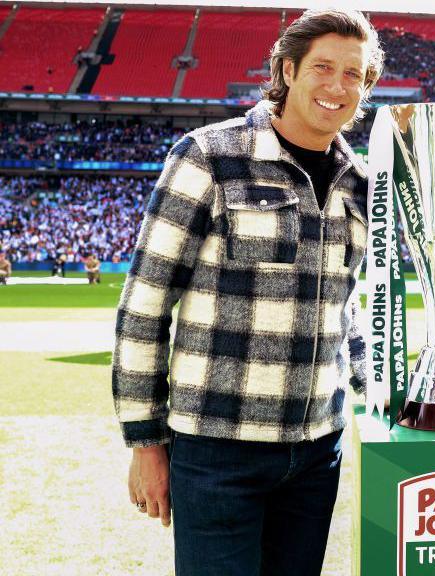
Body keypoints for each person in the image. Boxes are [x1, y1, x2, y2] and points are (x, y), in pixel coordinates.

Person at [111, 9, 382, 576]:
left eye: (353, 75)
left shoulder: (362, 183)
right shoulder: (209, 155)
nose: (337, 87)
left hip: (315, 451)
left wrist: (386, 392)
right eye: (323, 68)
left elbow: (346, 309)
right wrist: (144, 440)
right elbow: (145, 303)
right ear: (288, 70)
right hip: (216, 448)